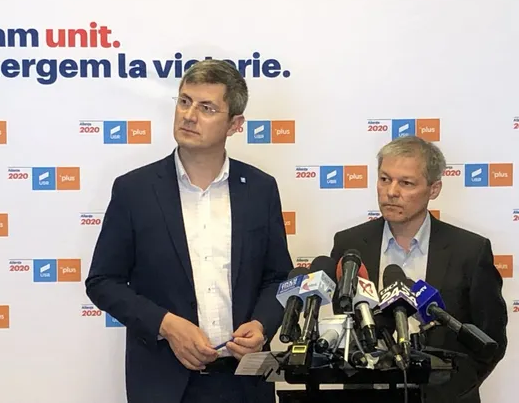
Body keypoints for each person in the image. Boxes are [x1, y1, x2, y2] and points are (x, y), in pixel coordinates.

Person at [85, 59, 294, 403]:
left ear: (234, 124)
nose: (189, 116)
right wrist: (166, 324)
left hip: (244, 382)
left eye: (207, 108)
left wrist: (261, 326)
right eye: (185, 102)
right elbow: (102, 281)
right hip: (164, 383)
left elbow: (278, 278)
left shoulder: (260, 189)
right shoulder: (134, 190)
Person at [329, 135, 507, 403]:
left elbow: (489, 340)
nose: (391, 192)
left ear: (434, 189)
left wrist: (450, 390)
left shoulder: (470, 250)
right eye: (385, 179)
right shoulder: (349, 244)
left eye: (406, 183)